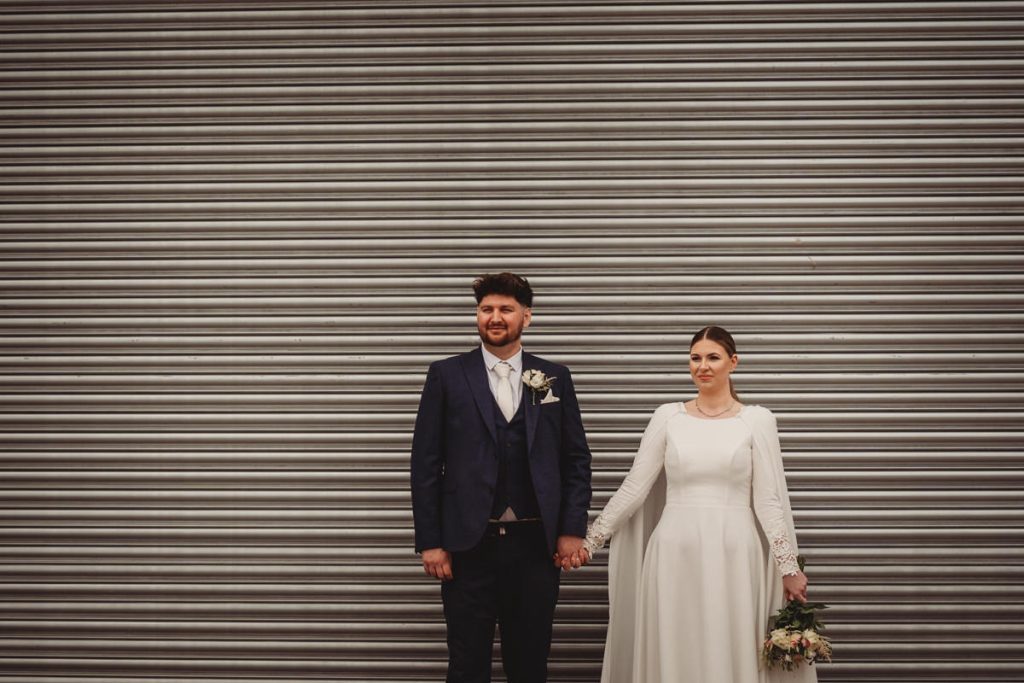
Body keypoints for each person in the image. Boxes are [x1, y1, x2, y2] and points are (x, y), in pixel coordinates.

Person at [567, 325, 815, 683]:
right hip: (673, 550)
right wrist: (590, 542)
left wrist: (788, 566)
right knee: (676, 639)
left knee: (730, 641)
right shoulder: (668, 417)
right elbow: (635, 487)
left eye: (713, 357)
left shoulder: (757, 421)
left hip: (734, 551)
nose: (703, 366)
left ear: (733, 362)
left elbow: (768, 502)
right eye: (695, 358)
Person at [410, 272, 593, 683]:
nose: (495, 317)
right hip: (468, 547)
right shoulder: (446, 375)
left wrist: (571, 529)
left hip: (535, 547)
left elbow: (575, 459)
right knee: (466, 665)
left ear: (526, 317)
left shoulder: (554, 377)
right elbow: (425, 463)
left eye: (506, 309)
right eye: (486, 309)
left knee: (529, 666)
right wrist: (431, 541)